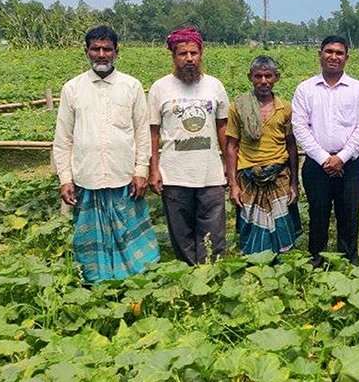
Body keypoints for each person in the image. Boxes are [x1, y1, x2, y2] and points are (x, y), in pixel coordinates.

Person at [52, 25, 159, 282]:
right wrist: (65, 178)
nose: (101, 54)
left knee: (130, 236)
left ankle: (135, 282)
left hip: (124, 178)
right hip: (87, 178)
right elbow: (63, 138)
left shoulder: (131, 86)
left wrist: (141, 171)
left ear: (116, 52)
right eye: (96, 49)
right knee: (91, 240)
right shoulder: (72, 89)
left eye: (107, 49)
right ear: (86, 51)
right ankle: (96, 284)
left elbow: (142, 134)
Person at [148, 27, 229, 265]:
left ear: (201, 54)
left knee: (214, 234)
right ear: (173, 56)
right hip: (174, 175)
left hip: (210, 174)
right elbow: (152, 132)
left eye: (194, 53)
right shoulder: (160, 88)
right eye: (183, 54)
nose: (189, 58)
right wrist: (154, 169)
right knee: (181, 234)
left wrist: (227, 164)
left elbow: (223, 127)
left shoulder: (215, 86)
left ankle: (210, 274)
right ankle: (188, 275)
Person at [292, 35, 359, 266]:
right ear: (320, 55)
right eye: (329, 51)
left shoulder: (358, 89)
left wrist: (341, 158)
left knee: (349, 215)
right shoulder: (305, 89)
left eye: (339, 53)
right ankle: (316, 262)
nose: (333, 57)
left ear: (347, 58)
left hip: (350, 165)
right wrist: (325, 159)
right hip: (317, 165)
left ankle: (348, 263)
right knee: (318, 215)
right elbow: (300, 127)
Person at [225, 56, 303, 254]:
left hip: (279, 176)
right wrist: (233, 185)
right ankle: (254, 263)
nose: (263, 81)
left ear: (276, 77)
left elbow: (291, 146)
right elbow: (231, 147)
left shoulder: (285, 108)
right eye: (258, 76)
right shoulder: (238, 107)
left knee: (282, 225)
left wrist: (294, 183)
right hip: (249, 176)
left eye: (268, 76)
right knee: (251, 227)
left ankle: (282, 263)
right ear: (250, 77)